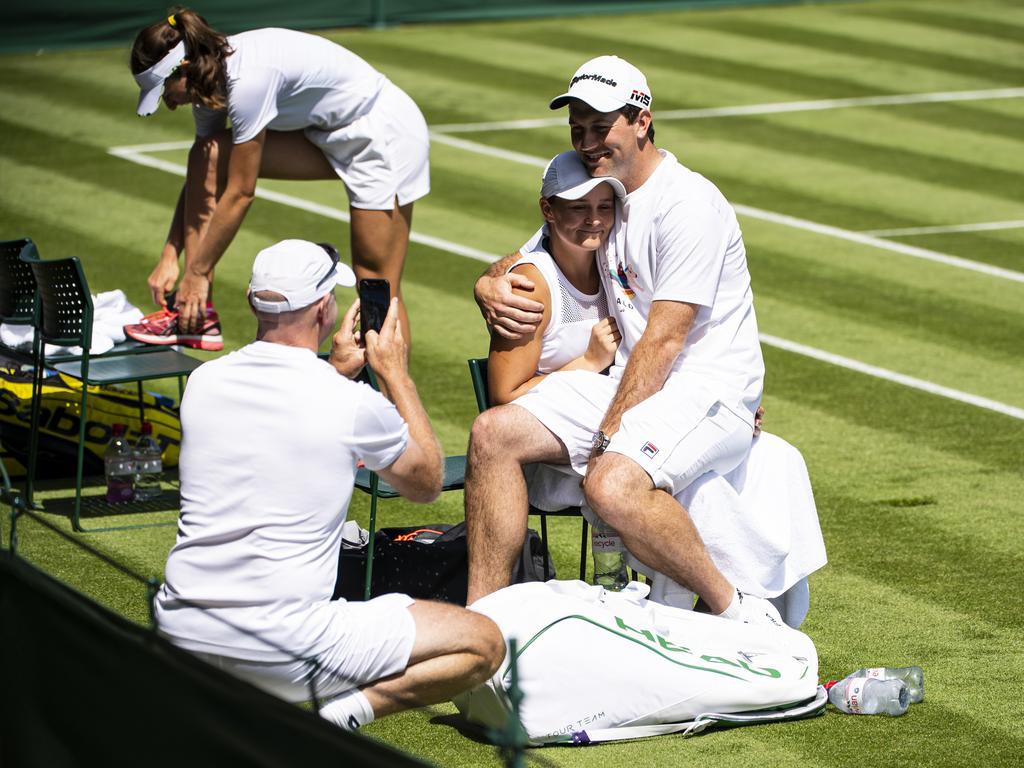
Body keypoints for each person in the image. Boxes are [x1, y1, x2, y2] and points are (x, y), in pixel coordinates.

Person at [467, 55, 770, 626]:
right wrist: (486, 280)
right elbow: (528, 254)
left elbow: (664, 341)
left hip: (705, 392)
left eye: (601, 126)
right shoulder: (602, 195)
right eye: (577, 128)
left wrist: (610, 435)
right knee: (493, 433)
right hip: (640, 386)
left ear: (642, 121)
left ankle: (741, 615)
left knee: (610, 484)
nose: (588, 140)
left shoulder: (688, 204)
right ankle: (481, 625)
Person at [153, 239, 503, 730]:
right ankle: (337, 719)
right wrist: (396, 375)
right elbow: (424, 483)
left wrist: (336, 370)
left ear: (256, 303)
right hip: (283, 647)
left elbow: (280, 421)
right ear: (323, 310)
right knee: (482, 642)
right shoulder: (349, 404)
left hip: (179, 632)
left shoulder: (204, 383)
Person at [127, 7, 429, 347]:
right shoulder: (208, 84)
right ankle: (198, 314)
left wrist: (194, 272)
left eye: (166, 94)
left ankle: (393, 397)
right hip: (324, 134)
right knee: (208, 154)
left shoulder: (247, 82)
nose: (168, 105)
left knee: (377, 284)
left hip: (382, 135)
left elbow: (241, 192)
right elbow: (203, 176)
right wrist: (171, 255)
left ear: (183, 70)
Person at [487, 149, 623, 405]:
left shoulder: (620, 260)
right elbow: (505, 397)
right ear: (548, 210)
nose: (594, 220)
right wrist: (588, 362)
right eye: (579, 207)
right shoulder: (530, 287)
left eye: (604, 206)